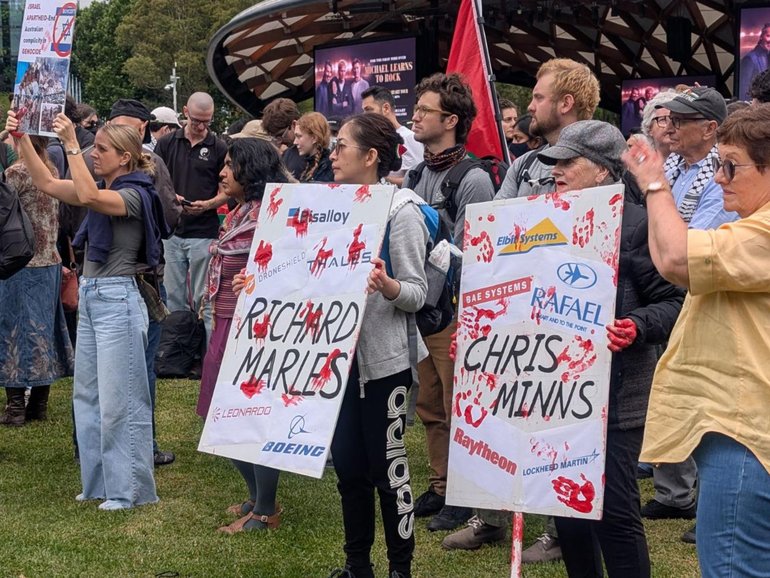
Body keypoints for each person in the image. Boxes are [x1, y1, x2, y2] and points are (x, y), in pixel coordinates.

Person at [453, 58, 599, 562]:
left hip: (575, 314)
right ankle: (493, 515)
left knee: (564, 421)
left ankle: (564, 525)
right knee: (503, 409)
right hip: (515, 310)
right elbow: (498, 226)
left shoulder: (604, 156)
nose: (529, 106)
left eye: (537, 97)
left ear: (565, 103)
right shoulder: (524, 165)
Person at [530, 120, 684, 578]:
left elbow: (677, 300)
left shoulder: (637, 226)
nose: (556, 171)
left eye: (567, 162)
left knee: (614, 515)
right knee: (568, 514)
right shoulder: (544, 222)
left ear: (602, 171)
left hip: (616, 402)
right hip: (554, 396)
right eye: (554, 162)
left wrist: (636, 324)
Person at [624, 102, 770, 578]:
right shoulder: (750, 227)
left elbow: (677, 260)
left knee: (733, 568)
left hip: (745, 432)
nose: (719, 177)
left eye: (731, 165)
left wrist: (654, 181)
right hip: (743, 425)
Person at [5, 109, 168, 510]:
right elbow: (44, 181)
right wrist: (22, 137)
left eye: (104, 149)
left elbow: (92, 197)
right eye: (94, 149)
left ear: (125, 158)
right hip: (97, 297)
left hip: (117, 298)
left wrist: (72, 144)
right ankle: (98, 484)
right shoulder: (97, 185)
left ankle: (128, 490)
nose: (96, 154)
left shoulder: (134, 193)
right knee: (89, 399)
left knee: (120, 400)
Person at [326, 112, 429, 578]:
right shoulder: (329, 206)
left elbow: (417, 292)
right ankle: (356, 566)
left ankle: (400, 569)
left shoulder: (400, 212)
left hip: (384, 366)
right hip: (337, 361)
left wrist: (388, 286)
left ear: (370, 157)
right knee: (349, 470)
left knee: (389, 474)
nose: (332, 154)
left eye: (341, 145)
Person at [406, 72, 495, 534]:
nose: (415, 116)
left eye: (424, 111)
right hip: (420, 309)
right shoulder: (419, 172)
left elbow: (472, 253)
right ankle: (440, 485)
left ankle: (465, 495)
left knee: (462, 405)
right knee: (430, 405)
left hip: (454, 312)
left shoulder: (473, 177)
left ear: (452, 120)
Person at [198, 135, 292, 533]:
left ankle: (265, 509)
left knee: (248, 417)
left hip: (252, 330)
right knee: (221, 416)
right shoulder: (240, 212)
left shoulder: (271, 214)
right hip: (225, 323)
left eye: (230, 164)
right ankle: (257, 496)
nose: (222, 172)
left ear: (249, 170)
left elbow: (287, 270)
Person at [0, 135, 74, 426]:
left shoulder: (16, 173)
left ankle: (16, 405)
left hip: (19, 262)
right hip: (49, 260)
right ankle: (39, 403)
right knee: (44, 330)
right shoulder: (51, 170)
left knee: (14, 331)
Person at [155, 92, 228, 340]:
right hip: (173, 229)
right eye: (196, 120)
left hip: (204, 230)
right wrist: (171, 197)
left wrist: (210, 204)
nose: (201, 126)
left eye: (206, 122)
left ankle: (206, 351)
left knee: (205, 297)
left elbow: (228, 189)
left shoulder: (218, 147)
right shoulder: (166, 143)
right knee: (173, 296)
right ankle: (176, 350)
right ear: (185, 112)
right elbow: (154, 179)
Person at [361, 85, 424, 187]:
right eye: (363, 110)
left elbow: (419, 179)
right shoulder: (373, 140)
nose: (364, 115)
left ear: (386, 108)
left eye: (369, 110)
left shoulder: (409, 138)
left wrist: (381, 180)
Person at [261, 98, 304, 179]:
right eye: (273, 137)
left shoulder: (315, 153)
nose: (279, 142)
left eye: (281, 135)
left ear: (294, 124)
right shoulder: (286, 155)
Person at [293, 112, 333, 182]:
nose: (295, 142)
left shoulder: (327, 166)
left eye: (299, 136)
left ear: (314, 138)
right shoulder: (310, 164)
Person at [639, 89, 679, 160]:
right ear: (649, 128)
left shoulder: (695, 163)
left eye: (675, 119)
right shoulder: (639, 165)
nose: (670, 126)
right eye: (663, 120)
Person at [739, 23, 770, 101]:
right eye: (768, 36)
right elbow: (743, 92)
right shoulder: (749, 59)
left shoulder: (767, 56)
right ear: (761, 37)